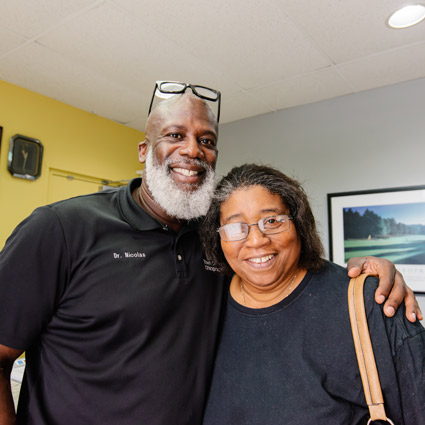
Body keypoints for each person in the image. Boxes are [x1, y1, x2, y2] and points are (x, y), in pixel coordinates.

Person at [0, 84, 420, 425]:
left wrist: (370, 277)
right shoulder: (60, 229)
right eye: (174, 136)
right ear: (144, 150)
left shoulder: (217, 239)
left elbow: (278, 268)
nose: (193, 150)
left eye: (206, 140)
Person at [200, 163, 425, 425]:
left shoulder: (371, 304)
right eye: (235, 227)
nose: (256, 240)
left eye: (272, 221)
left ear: (299, 223)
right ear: (218, 238)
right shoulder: (205, 305)